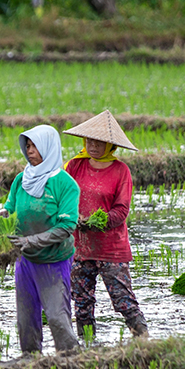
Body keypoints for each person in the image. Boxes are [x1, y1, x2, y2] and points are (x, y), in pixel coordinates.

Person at [62, 111, 148, 340]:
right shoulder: (73, 167)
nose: (93, 145)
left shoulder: (121, 171)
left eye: (99, 142)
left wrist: (96, 223)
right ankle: (87, 346)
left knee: (123, 299)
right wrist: (73, 218)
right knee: (81, 303)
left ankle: (144, 341)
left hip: (111, 249)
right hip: (79, 248)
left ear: (110, 144)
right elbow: (62, 196)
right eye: (89, 140)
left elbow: (121, 210)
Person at [0, 124, 80, 355]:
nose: (30, 151)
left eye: (35, 146)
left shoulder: (65, 184)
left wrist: (30, 241)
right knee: (26, 317)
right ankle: (30, 359)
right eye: (28, 146)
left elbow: (66, 226)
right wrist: (3, 216)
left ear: (48, 148)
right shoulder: (21, 179)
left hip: (53, 260)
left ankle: (70, 358)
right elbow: (10, 208)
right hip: (26, 260)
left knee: (56, 316)